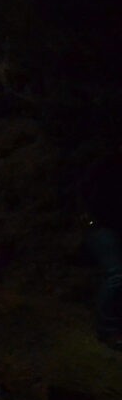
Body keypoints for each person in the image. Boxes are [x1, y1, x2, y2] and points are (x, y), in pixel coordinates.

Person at [82, 144, 122, 351]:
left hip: (111, 226)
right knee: (116, 275)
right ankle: (108, 330)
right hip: (102, 227)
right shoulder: (109, 166)